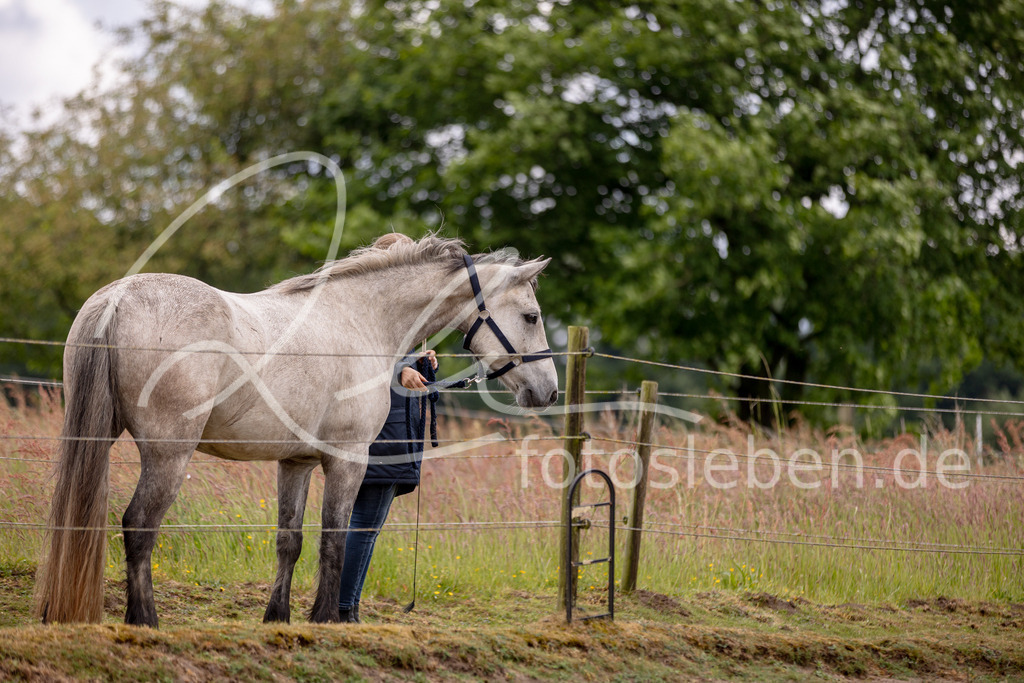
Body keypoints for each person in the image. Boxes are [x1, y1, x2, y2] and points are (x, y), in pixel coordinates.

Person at [337, 348, 437, 623]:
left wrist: (414, 361)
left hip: (391, 438)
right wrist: (400, 370)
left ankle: (348, 609)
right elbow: (364, 357)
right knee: (364, 528)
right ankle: (343, 609)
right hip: (385, 441)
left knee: (367, 529)